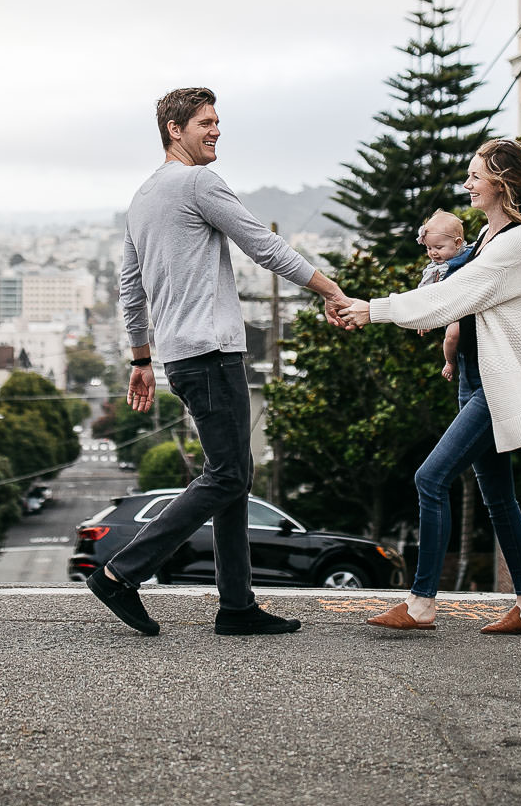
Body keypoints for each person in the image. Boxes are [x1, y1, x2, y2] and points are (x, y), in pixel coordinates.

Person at [87, 87, 355, 638]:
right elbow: (262, 244)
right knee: (228, 474)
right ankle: (121, 572)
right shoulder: (197, 182)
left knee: (234, 475)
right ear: (173, 130)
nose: (214, 131)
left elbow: (130, 288)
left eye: (217, 122)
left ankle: (236, 604)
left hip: (181, 360)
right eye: (205, 123)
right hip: (211, 354)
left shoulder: (142, 196)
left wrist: (141, 358)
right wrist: (331, 290)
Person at [338, 139, 521, 634]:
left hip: (497, 388)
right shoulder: (488, 235)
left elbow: (459, 292)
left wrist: (374, 309)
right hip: (473, 379)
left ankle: (421, 605)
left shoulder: (519, 242)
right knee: (500, 500)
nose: (467, 184)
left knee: (430, 478)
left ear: (501, 182)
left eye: (475, 176)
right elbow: (450, 294)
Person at [415, 210, 471, 381]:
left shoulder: (472, 252)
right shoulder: (436, 269)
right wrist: (426, 318)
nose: (433, 253)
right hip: (454, 311)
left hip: (471, 304)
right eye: (429, 248)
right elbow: (426, 293)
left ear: (458, 243)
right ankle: (449, 361)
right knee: (452, 334)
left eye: (439, 248)